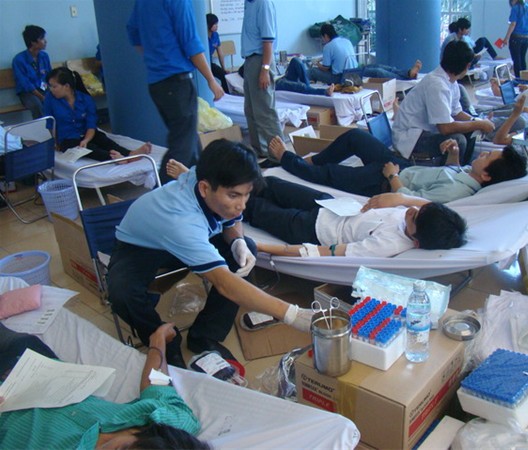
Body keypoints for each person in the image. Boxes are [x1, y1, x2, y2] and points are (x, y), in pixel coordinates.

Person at [107, 140, 313, 368]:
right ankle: (166, 342)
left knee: (245, 249)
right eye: (234, 196)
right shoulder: (183, 221)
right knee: (122, 293)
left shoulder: (210, 176)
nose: (242, 205)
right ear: (205, 189)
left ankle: (205, 335)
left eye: (246, 195)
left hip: (185, 235)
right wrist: (292, 314)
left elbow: (232, 221)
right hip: (141, 245)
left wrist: (237, 240)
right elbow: (225, 283)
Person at [0, 322, 209, 449]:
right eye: (123, 449)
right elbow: (157, 381)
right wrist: (158, 342)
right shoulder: (170, 425)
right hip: (33, 363)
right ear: (146, 434)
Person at [267, 129, 527, 203]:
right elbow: (450, 172)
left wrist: (392, 177)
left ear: (486, 175)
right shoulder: (467, 175)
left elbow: (412, 200)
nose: (484, 154)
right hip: (403, 167)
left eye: (488, 157)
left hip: (385, 181)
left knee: (328, 175)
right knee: (356, 137)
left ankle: (287, 159)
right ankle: (314, 158)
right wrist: (454, 157)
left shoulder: (456, 191)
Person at [244, 177, 467, 258]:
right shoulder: (427, 218)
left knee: (255, 208)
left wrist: (264, 247)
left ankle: (227, 198)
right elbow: (427, 206)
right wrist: (401, 198)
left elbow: (331, 252)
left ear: (417, 242)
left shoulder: (388, 244)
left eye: (414, 218)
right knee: (270, 184)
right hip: (331, 205)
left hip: (313, 229)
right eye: (416, 209)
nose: (411, 210)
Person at [127, 0, 224, 182]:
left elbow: (133, 32)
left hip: (157, 84)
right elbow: (191, 44)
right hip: (176, 82)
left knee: (190, 142)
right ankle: (160, 193)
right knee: (182, 147)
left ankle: (199, 187)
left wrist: (156, 57)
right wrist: (211, 80)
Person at [392, 40, 495, 165]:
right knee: (458, 140)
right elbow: (445, 128)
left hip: (423, 130)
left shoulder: (450, 80)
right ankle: (450, 173)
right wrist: (479, 124)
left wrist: (476, 121)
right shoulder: (437, 85)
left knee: (470, 131)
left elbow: (456, 112)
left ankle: (462, 168)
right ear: (467, 66)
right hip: (410, 137)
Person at [43, 67, 152, 162]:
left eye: (54, 86)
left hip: (87, 133)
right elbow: (50, 124)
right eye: (50, 86)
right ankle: (115, 158)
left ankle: (130, 153)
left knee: (102, 139)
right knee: (88, 149)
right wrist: (56, 143)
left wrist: (86, 140)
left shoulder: (85, 99)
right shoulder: (50, 99)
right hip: (68, 139)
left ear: (66, 86)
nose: (51, 90)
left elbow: (91, 124)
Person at [240, 0, 283, 157]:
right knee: (251, 110)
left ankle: (279, 156)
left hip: (261, 60)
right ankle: (260, 152)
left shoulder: (263, 3)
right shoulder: (249, 3)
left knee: (265, 112)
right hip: (250, 60)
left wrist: (265, 70)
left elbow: (268, 42)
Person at [11, 25, 52, 119]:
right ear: (33, 42)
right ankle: (42, 128)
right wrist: (42, 97)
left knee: (59, 100)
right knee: (37, 106)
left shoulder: (44, 56)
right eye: (42, 38)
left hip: (44, 89)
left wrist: (51, 91)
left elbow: (50, 76)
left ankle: (58, 127)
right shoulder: (19, 60)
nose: (45, 41)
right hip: (28, 93)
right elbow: (26, 84)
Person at [502, 0, 528, 78]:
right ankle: (524, 78)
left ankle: (518, 79)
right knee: (522, 59)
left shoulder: (515, 8)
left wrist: (506, 38)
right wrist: (525, 25)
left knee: (516, 60)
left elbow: (513, 24)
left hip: (516, 38)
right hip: (526, 38)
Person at [207, 13, 230, 95]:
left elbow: (220, 53)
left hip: (210, 63)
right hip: (204, 63)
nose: (217, 26)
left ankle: (227, 95)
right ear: (209, 24)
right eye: (215, 24)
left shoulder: (215, 35)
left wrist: (224, 68)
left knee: (223, 75)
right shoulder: (203, 36)